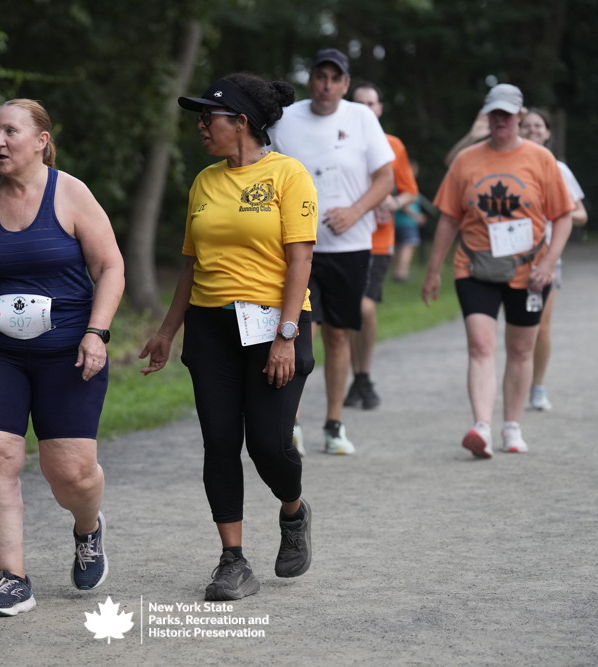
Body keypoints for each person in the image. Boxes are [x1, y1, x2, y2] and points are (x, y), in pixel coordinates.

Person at [0, 99, 125, 616]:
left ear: (41, 141)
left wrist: (97, 333)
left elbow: (110, 267)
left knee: (70, 472)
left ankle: (88, 528)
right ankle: (12, 580)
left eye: (10, 131)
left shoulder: (72, 194)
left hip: (69, 352)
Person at [140, 72, 317, 601]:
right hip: (211, 328)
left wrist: (286, 336)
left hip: (274, 325)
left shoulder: (289, 175)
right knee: (219, 441)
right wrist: (167, 331)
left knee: (268, 445)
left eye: (208, 117)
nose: (200, 126)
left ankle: (293, 510)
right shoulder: (204, 181)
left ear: (241, 122)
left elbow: (300, 260)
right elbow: (191, 266)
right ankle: (233, 560)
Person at [422, 84, 573, 457]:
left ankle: (512, 427)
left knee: (521, 349)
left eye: (507, 114)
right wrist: (433, 271)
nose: (500, 120)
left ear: (519, 117)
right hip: (475, 264)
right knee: (480, 345)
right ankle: (482, 427)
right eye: (494, 114)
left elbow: (563, 216)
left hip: (529, 269)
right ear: (487, 116)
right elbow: (448, 218)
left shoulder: (541, 159)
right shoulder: (466, 160)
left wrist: (548, 264)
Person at [269, 48, 394, 454]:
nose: (326, 85)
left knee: (339, 334)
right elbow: (265, 172)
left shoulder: (361, 118)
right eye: (320, 77)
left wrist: (355, 212)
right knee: (299, 332)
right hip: (296, 247)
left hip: (349, 247)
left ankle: (334, 424)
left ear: (345, 84)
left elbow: (385, 178)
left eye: (334, 78)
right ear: (311, 80)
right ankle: (292, 424)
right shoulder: (285, 119)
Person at [345, 82, 419, 410]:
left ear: (379, 108)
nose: (366, 109)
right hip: (342, 238)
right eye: (359, 103)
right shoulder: (338, 143)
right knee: (346, 313)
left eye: (371, 103)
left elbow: (410, 191)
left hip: (377, 239)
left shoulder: (393, 145)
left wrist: (393, 202)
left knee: (364, 307)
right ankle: (358, 377)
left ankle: (363, 374)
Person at [518, 107, 588, 411]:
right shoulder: (507, 164)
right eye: (527, 125)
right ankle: (517, 384)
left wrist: (557, 211)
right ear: (518, 129)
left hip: (546, 257)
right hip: (508, 257)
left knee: (541, 326)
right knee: (516, 327)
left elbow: (581, 214)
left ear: (548, 133)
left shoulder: (559, 169)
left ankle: (537, 386)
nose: (532, 130)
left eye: (539, 126)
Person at [392, 161, 432, 283]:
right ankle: (401, 274)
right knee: (407, 247)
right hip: (406, 222)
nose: (415, 173)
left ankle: (398, 272)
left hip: (398, 221)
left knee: (400, 247)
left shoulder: (399, 183)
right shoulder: (404, 184)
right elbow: (404, 205)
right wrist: (416, 216)